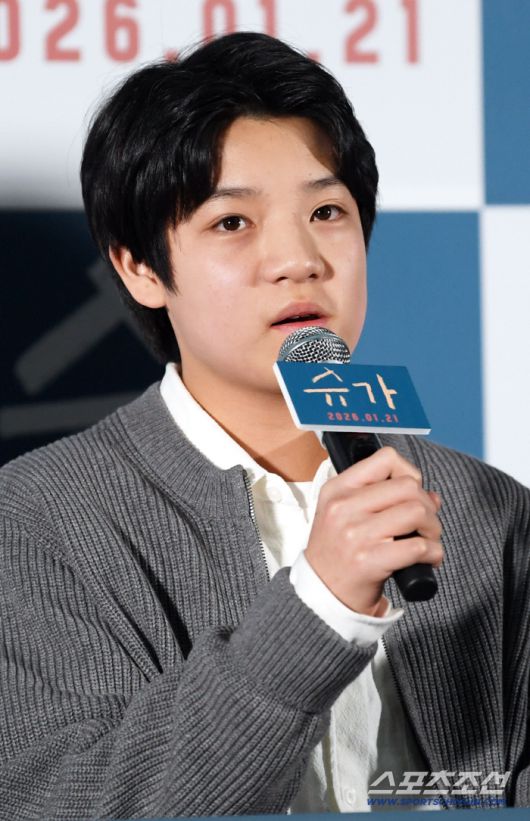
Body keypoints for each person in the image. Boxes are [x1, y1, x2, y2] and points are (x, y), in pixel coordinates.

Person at [0, 31, 529, 820]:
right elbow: (67, 802)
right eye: (232, 223)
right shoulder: (39, 516)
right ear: (140, 267)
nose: (298, 258)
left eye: (327, 211)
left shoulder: (491, 511)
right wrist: (321, 608)